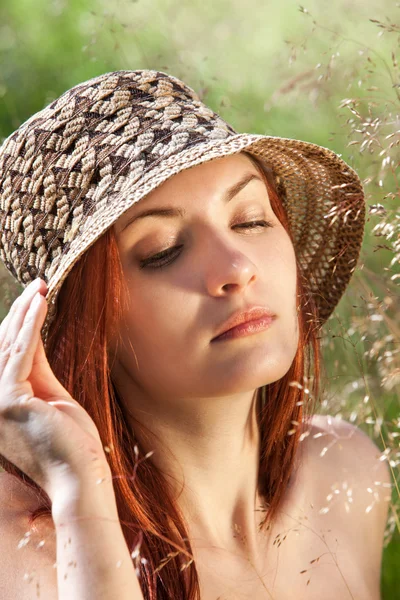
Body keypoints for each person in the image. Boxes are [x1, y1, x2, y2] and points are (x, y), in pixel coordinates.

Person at [0, 70, 391, 600]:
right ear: (85, 326)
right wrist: (79, 493)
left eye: (251, 220)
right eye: (162, 250)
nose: (236, 267)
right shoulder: (24, 549)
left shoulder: (345, 471)